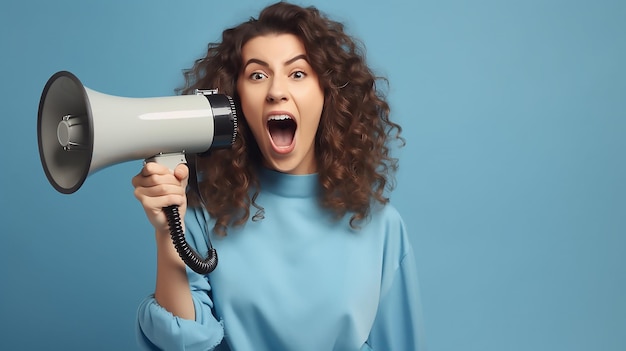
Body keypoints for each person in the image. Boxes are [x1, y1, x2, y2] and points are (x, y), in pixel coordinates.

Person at [132, 2, 425, 350]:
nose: (276, 91)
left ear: (327, 93)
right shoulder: (199, 213)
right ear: (237, 100)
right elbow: (181, 343)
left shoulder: (382, 226)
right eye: (258, 75)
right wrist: (169, 233)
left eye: (297, 74)